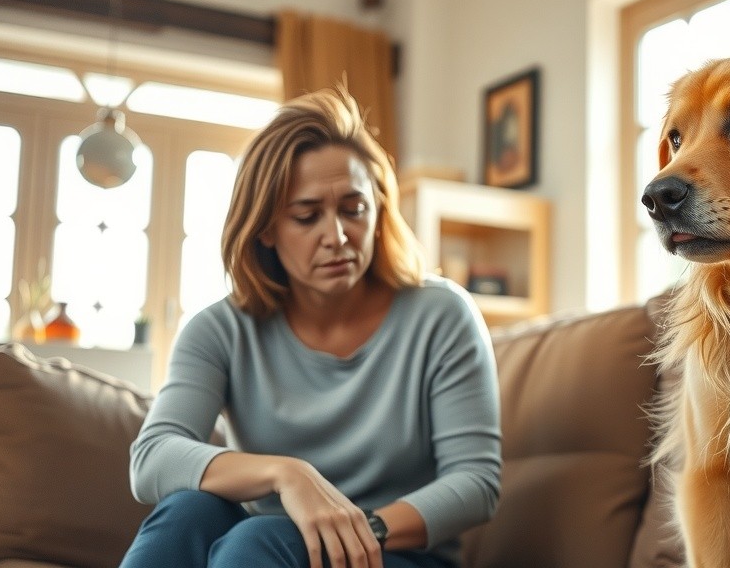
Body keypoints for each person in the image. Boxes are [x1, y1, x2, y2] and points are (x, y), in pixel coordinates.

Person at [120, 86, 502, 568]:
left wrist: (357, 530)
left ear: (379, 208)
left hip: (393, 554)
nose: (337, 237)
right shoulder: (219, 329)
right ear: (266, 228)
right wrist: (286, 475)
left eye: (353, 209)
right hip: (270, 541)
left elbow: (476, 483)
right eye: (307, 216)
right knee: (187, 511)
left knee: (255, 541)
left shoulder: (442, 315)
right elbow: (152, 458)